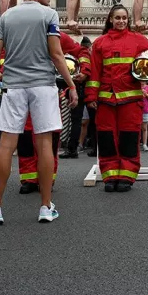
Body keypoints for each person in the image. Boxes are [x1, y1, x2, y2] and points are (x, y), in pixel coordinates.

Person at [0, 0, 77, 224]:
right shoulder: (49, 15)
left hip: (14, 86)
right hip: (43, 85)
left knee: (7, 146)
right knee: (44, 144)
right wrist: (71, 84)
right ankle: (45, 206)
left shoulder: (7, 16)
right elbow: (56, 54)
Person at [85, 5, 148, 191]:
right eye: (117, 18)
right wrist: (91, 96)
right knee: (106, 139)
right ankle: (110, 176)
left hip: (131, 101)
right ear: (111, 20)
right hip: (106, 101)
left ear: (128, 20)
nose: (121, 21)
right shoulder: (100, 43)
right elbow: (95, 73)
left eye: (124, 18)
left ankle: (127, 177)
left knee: (129, 139)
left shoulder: (137, 39)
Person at [17, 30, 90, 193]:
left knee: (50, 137)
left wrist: (84, 71)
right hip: (24, 92)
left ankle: (47, 178)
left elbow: (81, 52)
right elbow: (3, 54)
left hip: (49, 92)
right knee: (27, 137)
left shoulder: (57, 36)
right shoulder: (20, 32)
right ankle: (28, 178)